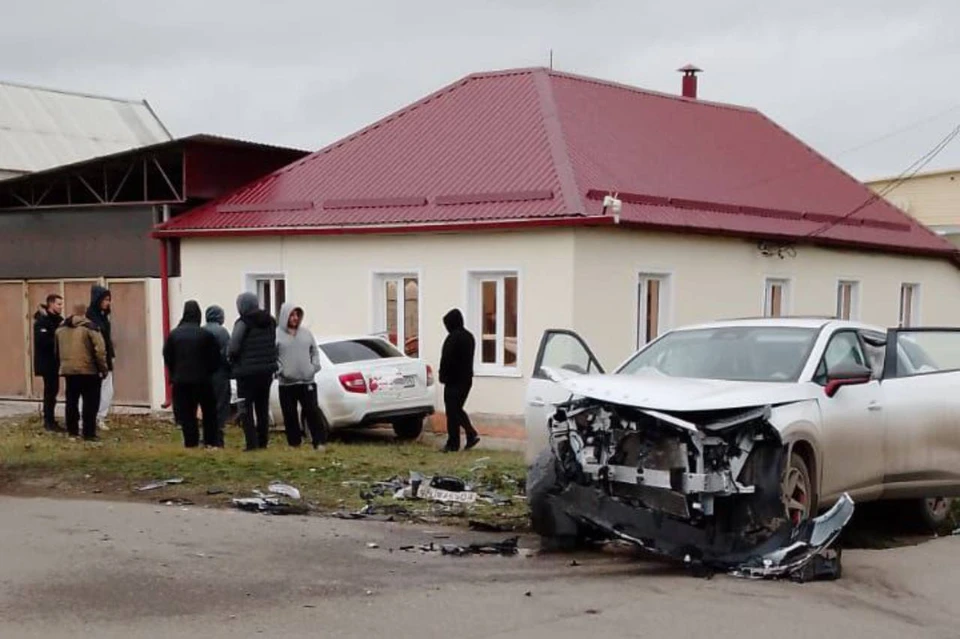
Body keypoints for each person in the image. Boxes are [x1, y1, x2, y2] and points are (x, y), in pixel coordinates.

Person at [163, 301, 223, 448]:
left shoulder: (174, 334)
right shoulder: (205, 335)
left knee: (187, 414)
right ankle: (210, 441)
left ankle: (191, 442)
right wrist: (209, 371)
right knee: (209, 412)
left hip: (181, 381)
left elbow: (167, 355)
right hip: (203, 380)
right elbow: (216, 358)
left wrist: (174, 372)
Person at [228, 292, 278, 451]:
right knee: (262, 408)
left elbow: (233, 347)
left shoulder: (243, 323)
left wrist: (232, 360)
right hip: (266, 372)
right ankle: (263, 442)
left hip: (246, 374)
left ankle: (251, 443)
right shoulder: (270, 321)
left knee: (245, 409)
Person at [276, 303, 327, 449]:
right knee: (289, 414)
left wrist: (314, 367)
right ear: (285, 316)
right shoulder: (277, 334)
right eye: (291, 315)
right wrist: (280, 370)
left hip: (307, 381)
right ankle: (294, 443)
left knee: (312, 411)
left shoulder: (306, 333)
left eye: (297, 315)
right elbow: (272, 355)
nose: (295, 318)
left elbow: (314, 351)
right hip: (287, 383)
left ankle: (319, 442)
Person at [56, 305, 108, 441]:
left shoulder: (60, 329)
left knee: (71, 401)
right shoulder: (90, 328)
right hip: (89, 370)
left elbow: (56, 350)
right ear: (85, 313)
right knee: (90, 403)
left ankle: (72, 431)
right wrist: (103, 369)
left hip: (68, 370)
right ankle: (88, 432)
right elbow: (100, 351)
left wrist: (62, 365)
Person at [438, 308, 480, 452]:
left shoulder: (453, 338)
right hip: (466, 379)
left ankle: (456, 441)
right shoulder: (469, 336)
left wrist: (443, 376)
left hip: (453, 380)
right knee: (456, 409)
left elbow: (447, 360)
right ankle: (467, 436)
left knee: (452, 411)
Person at [33, 294, 64, 432]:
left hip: (56, 362)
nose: (60, 307)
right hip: (47, 362)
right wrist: (58, 340)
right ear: (50, 304)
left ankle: (51, 420)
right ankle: (48, 421)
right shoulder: (42, 321)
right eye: (58, 304)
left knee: (54, 390)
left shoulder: (59, 321)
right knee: (50, 392)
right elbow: (42, 341)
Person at [86, 285, 115, 429]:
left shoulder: (103, 317)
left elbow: (107, 339)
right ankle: (90, 417)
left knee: (107, 390)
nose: (107, 303)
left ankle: (100, 416)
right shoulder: (91, 318)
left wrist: (111, 354)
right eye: (105, 300)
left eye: (109, 300)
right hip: (96, 360)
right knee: (93, 390)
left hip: (106, 358)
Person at [203, 305, 233, 435]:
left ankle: (207, 432)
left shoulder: (202, 331)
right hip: (220, 373)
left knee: (207, 404)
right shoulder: (222, 332)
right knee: (220, 404)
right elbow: (228, 353)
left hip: (203, 374)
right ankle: (218, 431)